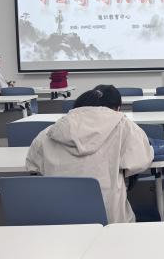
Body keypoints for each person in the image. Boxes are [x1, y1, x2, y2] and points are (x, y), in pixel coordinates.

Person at [26, 85, 154, 224]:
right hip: (109, 222)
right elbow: (140, 161)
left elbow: (33, 165)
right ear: (117, 108)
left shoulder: (49, 132)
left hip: (59, 221)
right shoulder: (125, 126)